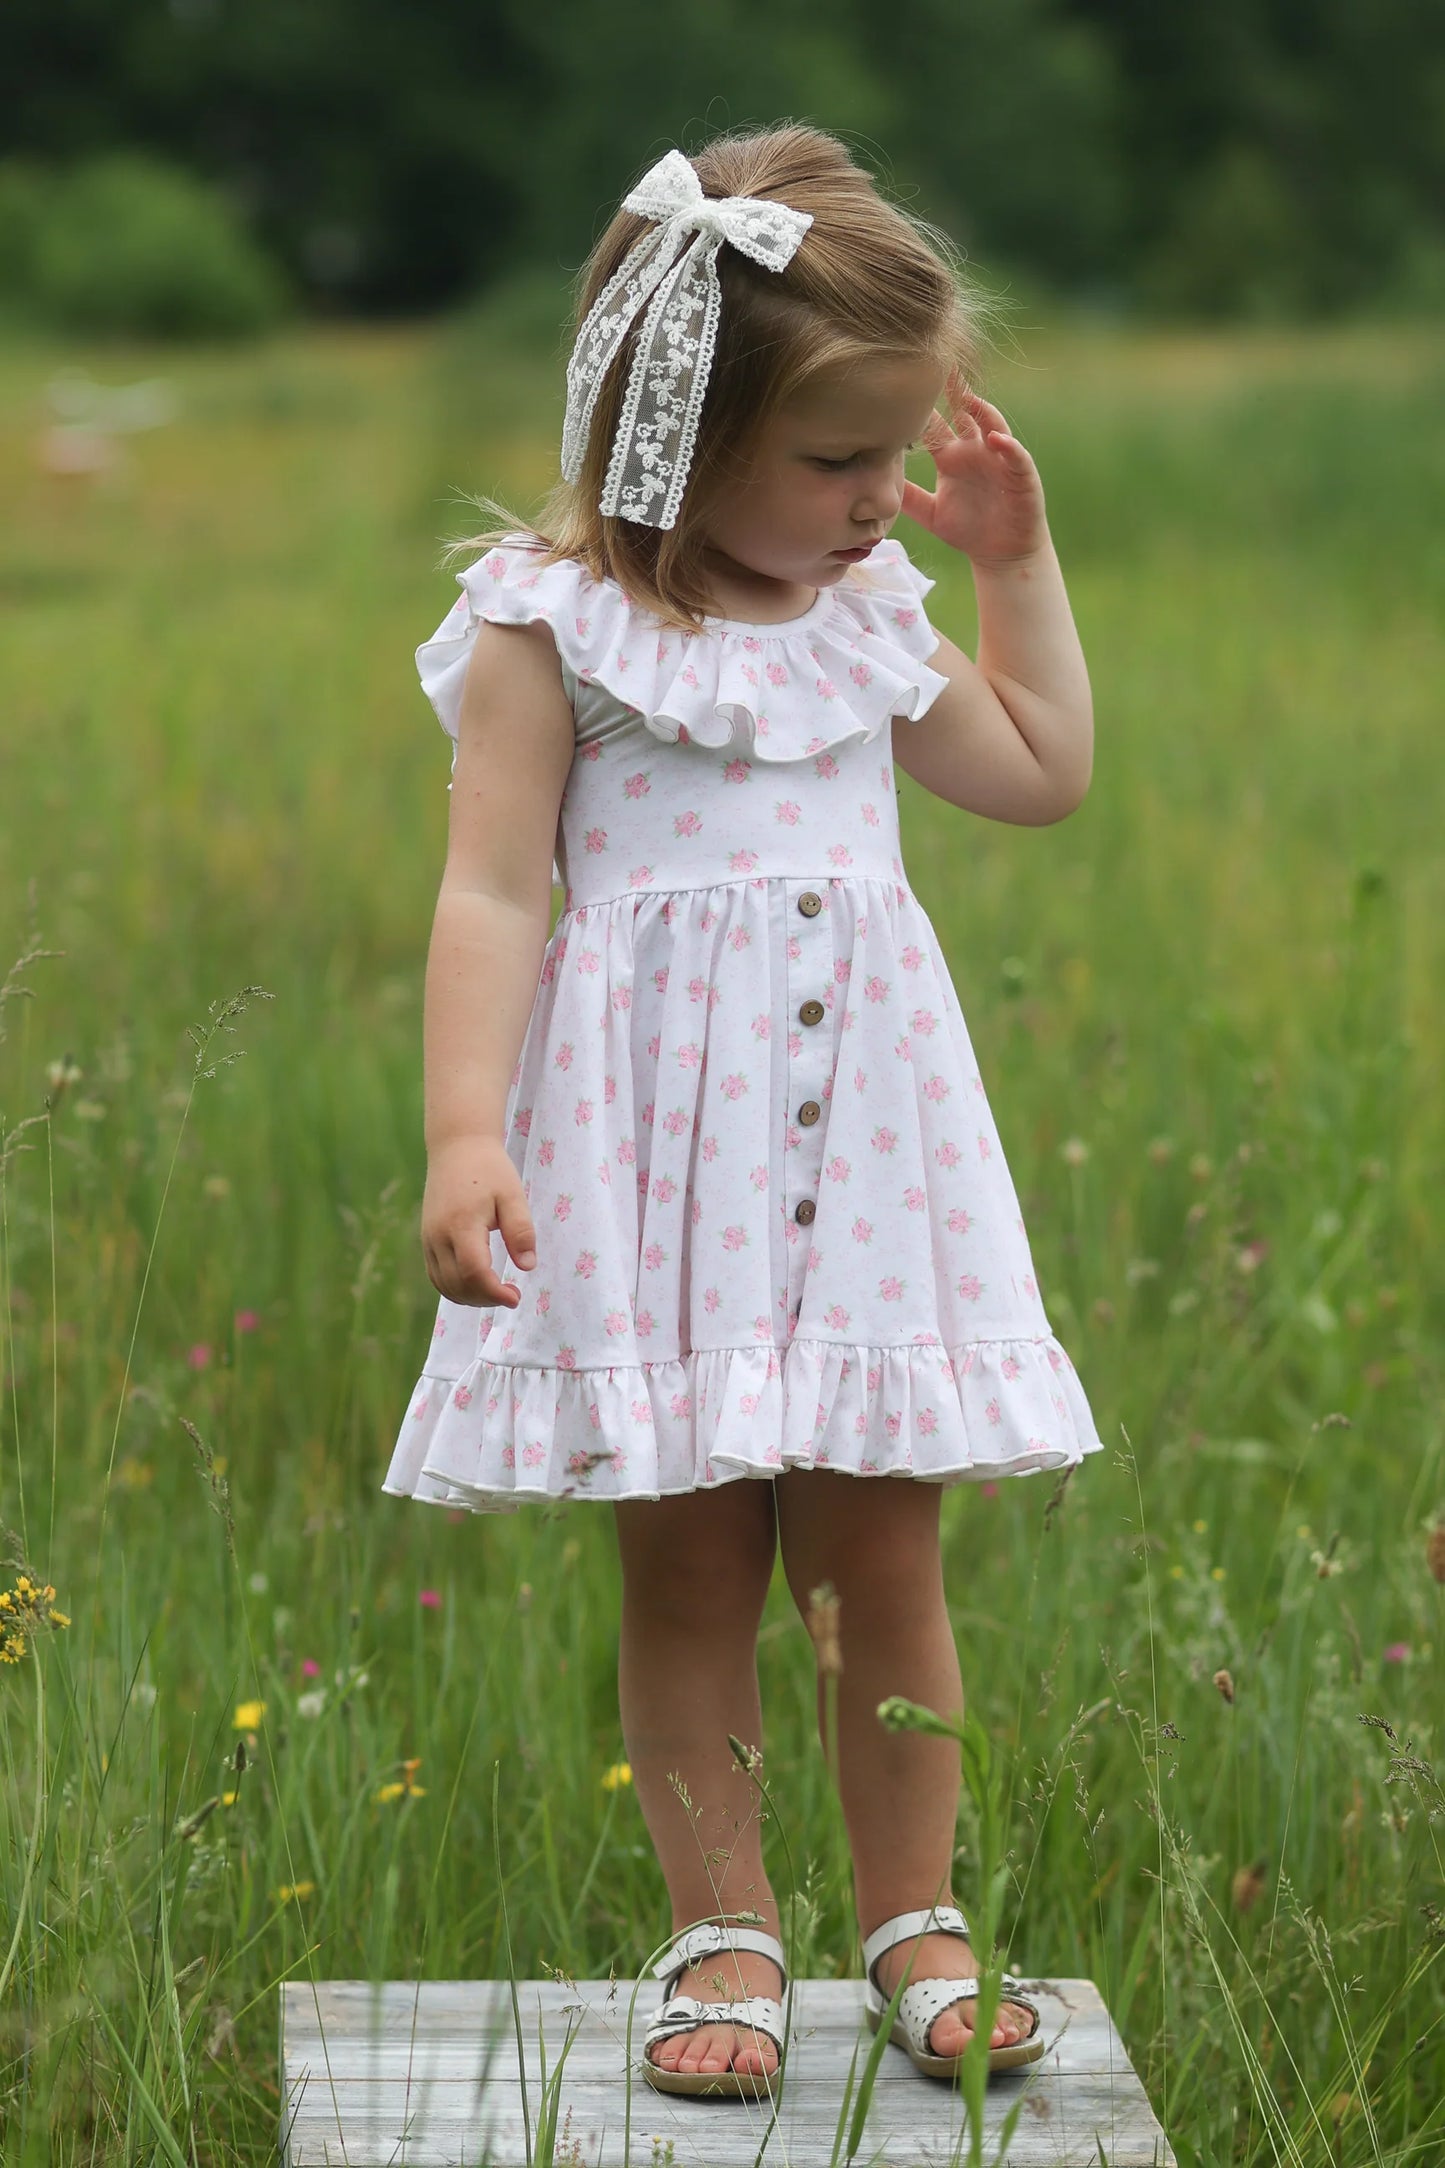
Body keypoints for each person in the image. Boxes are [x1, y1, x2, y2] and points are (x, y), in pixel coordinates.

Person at [383, 123, 1105, 2102]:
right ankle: (724, 1933)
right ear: (673, 432)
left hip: (864, 1165)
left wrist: (1013, 568)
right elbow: (493, 893)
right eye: (838, 459)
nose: (886, 497)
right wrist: (466, 1131)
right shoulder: (555, 626)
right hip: (649, 1171)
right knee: (690, 1568)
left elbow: (1041, 771)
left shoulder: (872, 620)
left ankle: (913, 1919)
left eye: (899, 455)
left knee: (885, 1558)